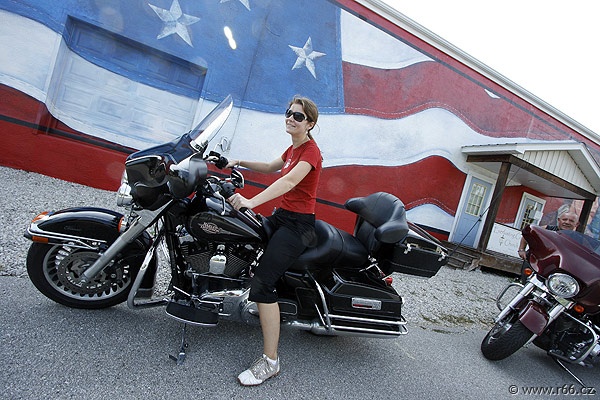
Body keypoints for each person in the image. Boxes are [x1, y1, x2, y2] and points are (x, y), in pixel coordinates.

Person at [226, 96, 322, 386]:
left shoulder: (311, 152)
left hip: (299, 226)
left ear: (310, 124)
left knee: (263, 283)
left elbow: (289, 182)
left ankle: (271, 361)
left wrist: (251, 201)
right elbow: (270, 166)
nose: (291, 118)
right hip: (282, 217)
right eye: (288, 112)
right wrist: (238, 161)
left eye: (298, 116)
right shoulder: (293, 148)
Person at [517, 207, 579, 283]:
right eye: (564, 219)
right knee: (525, 283)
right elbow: (528, 234)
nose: (567, 222)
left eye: (571, 221)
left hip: (555, 268)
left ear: (576, 224)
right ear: (559, 220)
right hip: (534, 261)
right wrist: (521, 250)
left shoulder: (577, 239)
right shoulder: (547, 228)